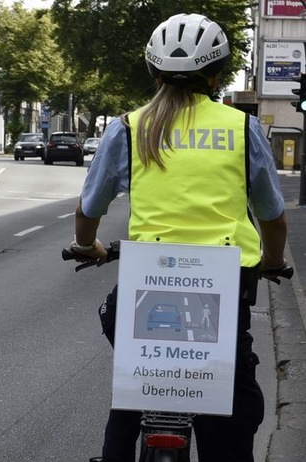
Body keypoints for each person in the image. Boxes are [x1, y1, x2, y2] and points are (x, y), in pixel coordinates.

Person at [70, 13, 288, 462]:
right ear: (217, 75)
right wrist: (272, 259)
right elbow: (272, 216)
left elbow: (88, 210)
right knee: (235, 405)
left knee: (134, 384)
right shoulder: (241, 129)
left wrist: (87, 245)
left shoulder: (128, 128)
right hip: (228, 288)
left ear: (153, 72)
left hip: (147, 280)